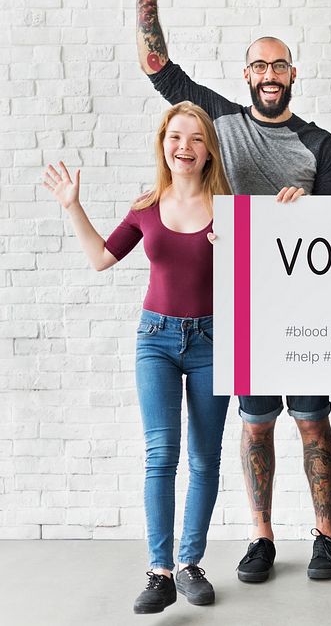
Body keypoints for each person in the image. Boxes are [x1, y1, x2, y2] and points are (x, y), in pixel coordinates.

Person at [135, 0, 331, 585]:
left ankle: (325, 536)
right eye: (260, 64)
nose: (270, 73)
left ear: (294, 75)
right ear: (247, 74)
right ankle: (260, 538)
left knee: (313, 420)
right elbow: (158, 70)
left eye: (280, 64)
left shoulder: (319, 143)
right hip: (242, 309)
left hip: (304, 310)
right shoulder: (219, 122)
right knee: (256, 427)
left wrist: (304, 208)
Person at [43, 103, 232, 614]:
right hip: (156, 339)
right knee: (161, 453)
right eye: (175, 137)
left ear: (208, 148)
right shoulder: (147, 205)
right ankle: (160, 571)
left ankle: (191, 564)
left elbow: (260, 278)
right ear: (163, 143)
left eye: (195, 138)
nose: (184, 147)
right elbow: (102, 258)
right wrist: (71, 205)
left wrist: (235, 248)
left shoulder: (231, 208)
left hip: (216, 340)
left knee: (205, 456)